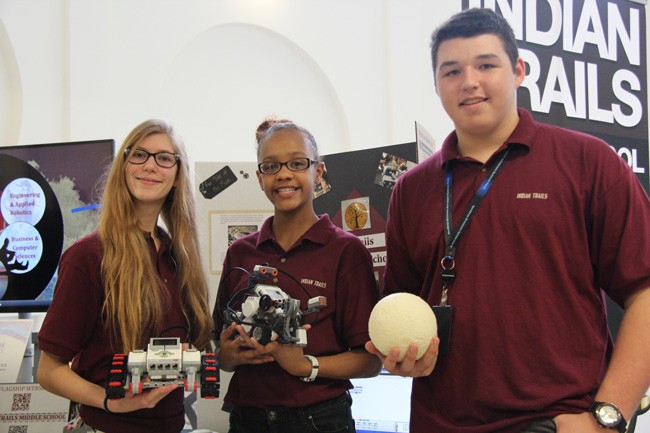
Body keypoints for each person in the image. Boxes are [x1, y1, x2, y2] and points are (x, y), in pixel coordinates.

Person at [365, 8, 650, 433]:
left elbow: (644, 293)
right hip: (440, 422)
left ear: (517, 70)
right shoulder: (411, 189)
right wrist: (405, 358)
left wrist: (608, 416)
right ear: (437, 85)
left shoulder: (588, 162)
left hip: (557, 420)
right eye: (452, 71)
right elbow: (405, 308)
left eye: (486, 65)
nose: (469, 82)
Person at [37, 119, 214, 433]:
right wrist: (110, 400)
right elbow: (49, 371)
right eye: (139, 155)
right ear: (124, 165)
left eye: (163, 158)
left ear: (177, 175)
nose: (149, 166)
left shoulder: (179, 257)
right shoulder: (88, 256)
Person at [214, 119, 382, 433]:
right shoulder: (240, 253)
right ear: (260, 177)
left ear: (317, 172)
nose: (284, 174)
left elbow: (371, 361)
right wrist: (227, 356)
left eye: (297, 163)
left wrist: (304, 364)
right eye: (271, 166)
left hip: (318, 419)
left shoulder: (346, 251)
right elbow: (221, 350)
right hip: (246, 418)